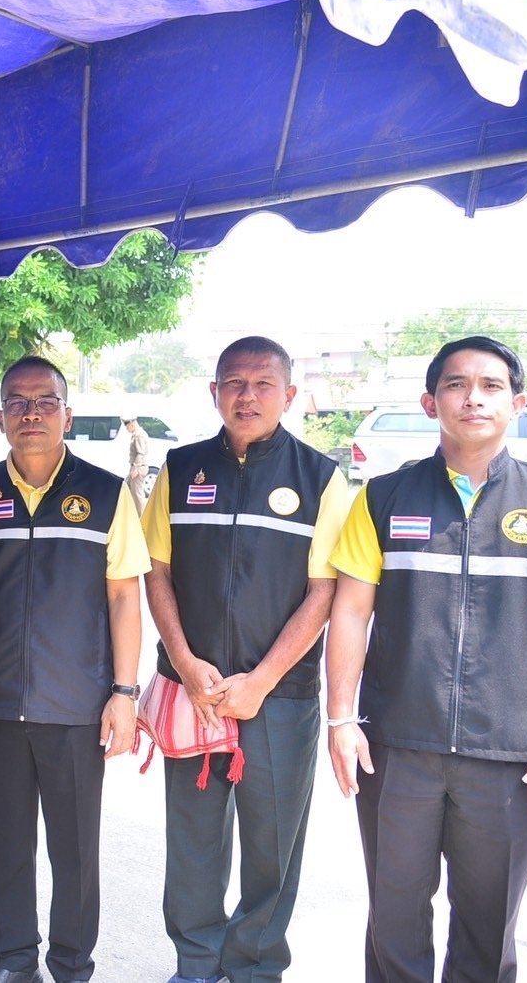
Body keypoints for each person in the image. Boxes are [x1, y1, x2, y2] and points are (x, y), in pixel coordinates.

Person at [326, 336, 527, 982]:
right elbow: (349, 611)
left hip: (509, 753)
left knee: (487, 930)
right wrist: (341, 720)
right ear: (431, 402)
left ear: (518, 402)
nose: (473, 398)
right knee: (394, 921)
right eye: (456, 385)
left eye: (490, 386)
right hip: (398, 744)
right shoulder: (382, 498)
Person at [0, 357, 146, 983]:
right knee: (8, 842)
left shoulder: (104, 494)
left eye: (45, 401)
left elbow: (123, 596)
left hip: (76, 703)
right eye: (18, 402)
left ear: (67, 415)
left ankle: (73, 966)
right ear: (0, 418)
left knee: (75, 850)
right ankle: (14, 962)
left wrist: (125, 692)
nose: (31, 413)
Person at [141, 336, 349, 983]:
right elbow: (157, 571)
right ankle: (196, 964)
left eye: (264, 384)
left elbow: (325, 592)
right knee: (195, 844)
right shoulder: (180, 469)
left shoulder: (322, 479)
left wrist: (260, 682)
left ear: (290, 396)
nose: (248, 395)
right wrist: (183, 658)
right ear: (214, 392)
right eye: (234, 382)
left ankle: (255, 966)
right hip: (192, 691)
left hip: (279, 699)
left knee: (272, 848)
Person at [123, 415, 149, 510]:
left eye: (127, 426)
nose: (126, 429)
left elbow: (140, 453)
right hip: (136, 467)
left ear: (131, 423)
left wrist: (135, 468)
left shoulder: (139, 435)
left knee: (137, 495)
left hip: (138, 467)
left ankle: (141, 520)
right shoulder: (137, 434)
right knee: (127, 490)